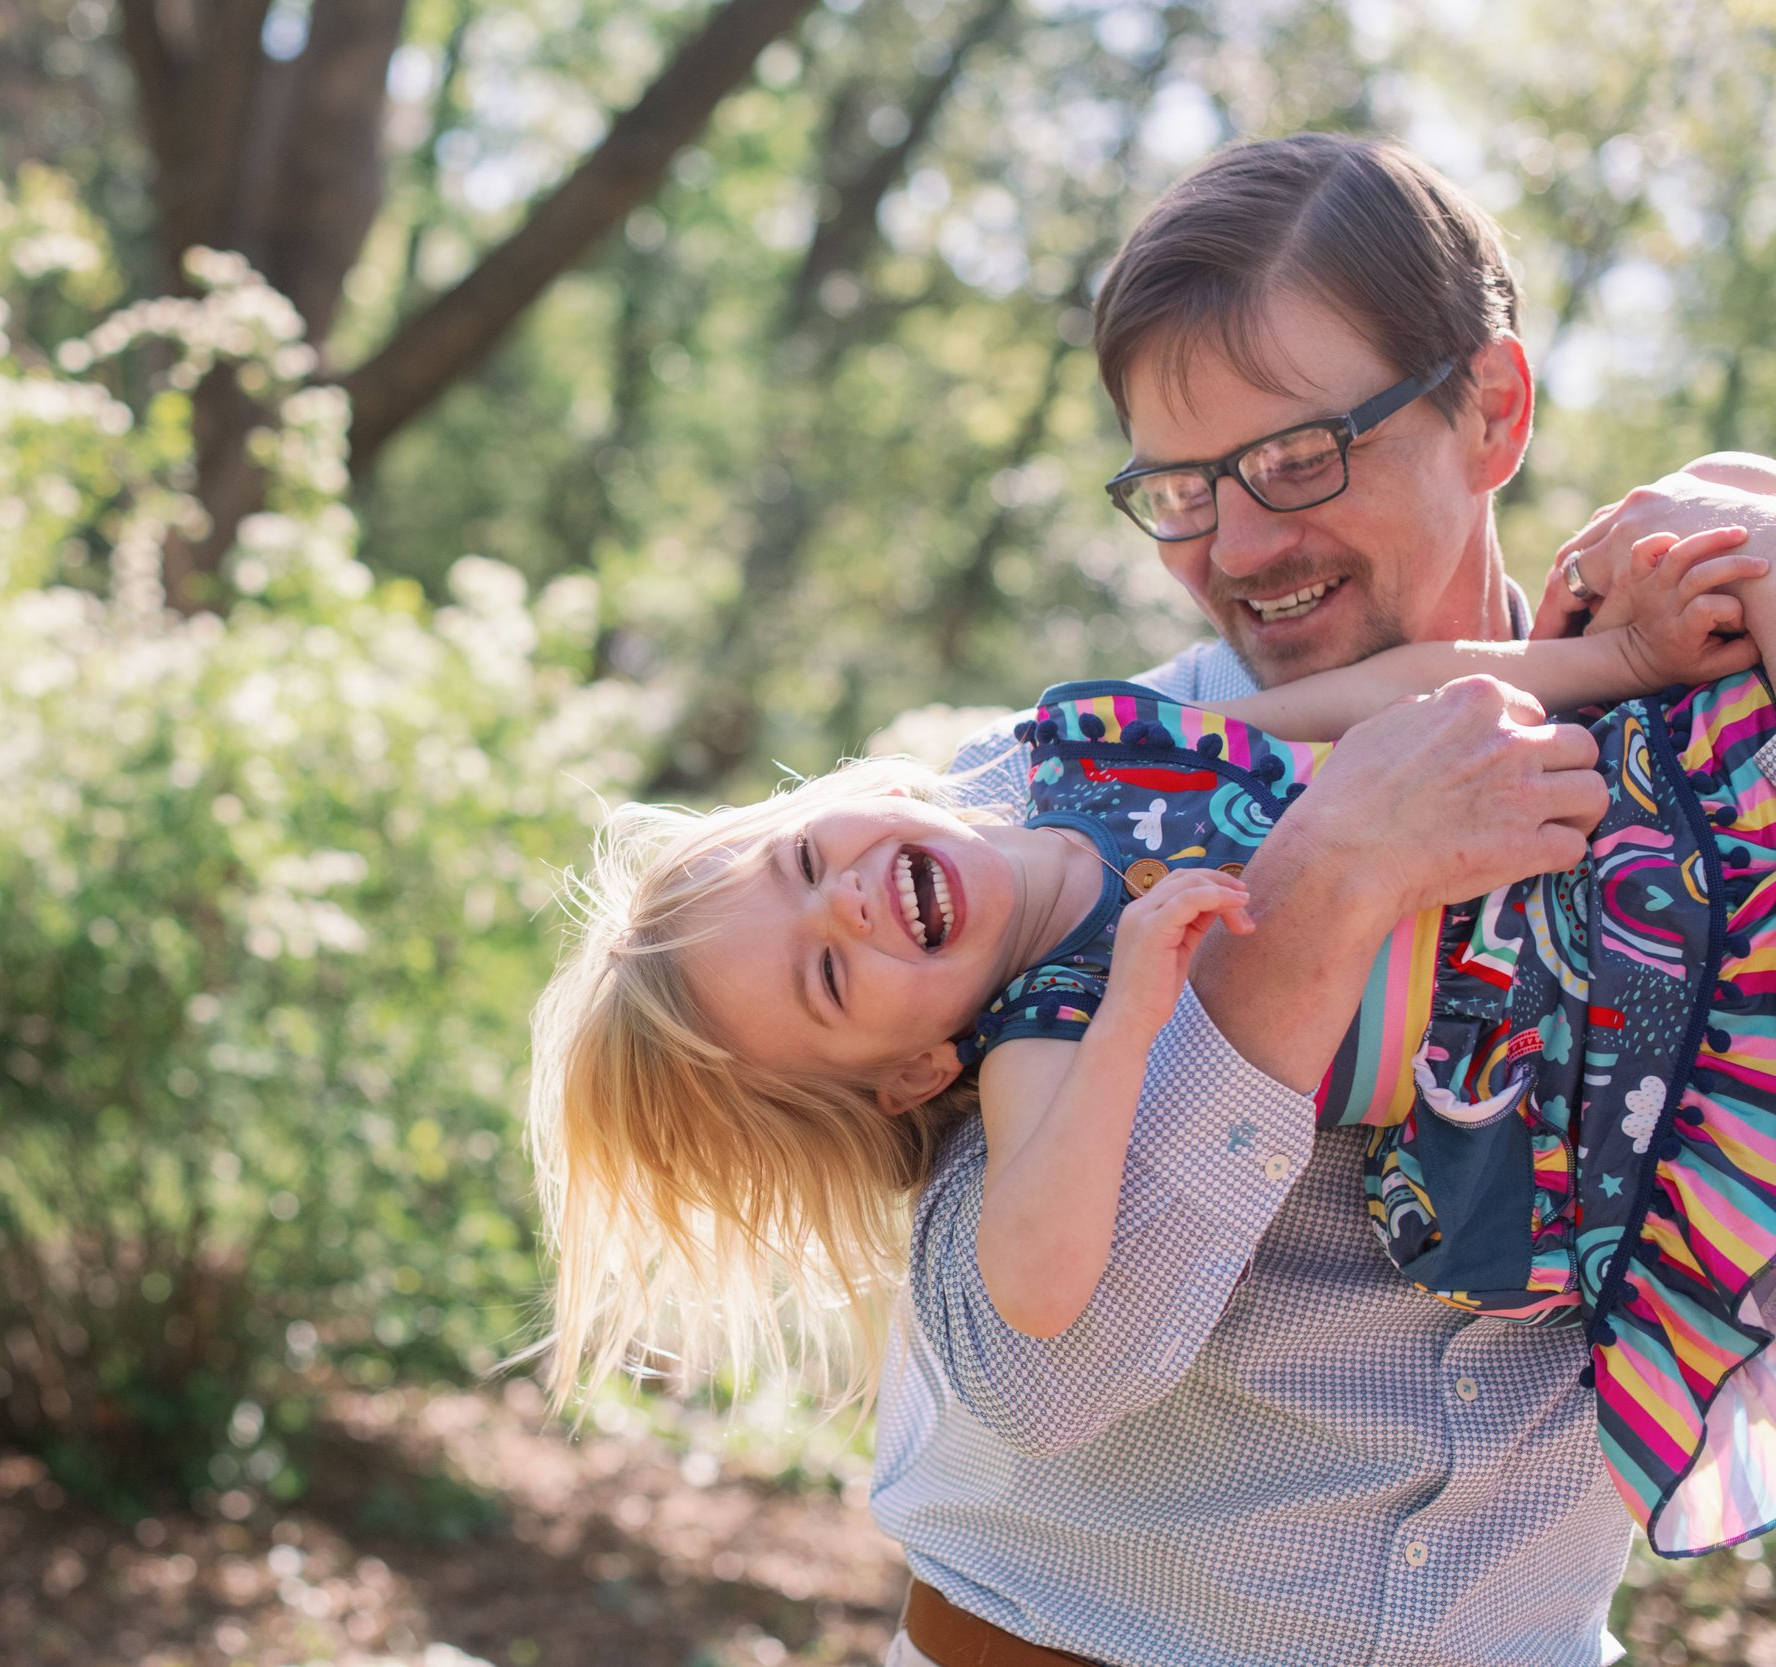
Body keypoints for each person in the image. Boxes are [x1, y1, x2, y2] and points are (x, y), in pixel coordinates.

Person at [541, 134, 1776, 1665]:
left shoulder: (1700, 774)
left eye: (1300, 458)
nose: (1242, 547)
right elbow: (1035, 1366)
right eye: (1180, 491)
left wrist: (1709, 595)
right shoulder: (1011, 831)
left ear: (1494, 409)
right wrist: (1314, 897)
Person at [529, 519, 1774, 1529]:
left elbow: (1397, 690)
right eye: (826, 978)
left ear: (860, 796)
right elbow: (1036, 1281)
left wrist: (1621, 664)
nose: (849, 903)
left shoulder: (1091, 749)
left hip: (1637, 836)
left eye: (805, 860)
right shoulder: (1048, 1024)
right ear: (912, 1071)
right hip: (1623, 1071)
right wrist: (1132, 1002)